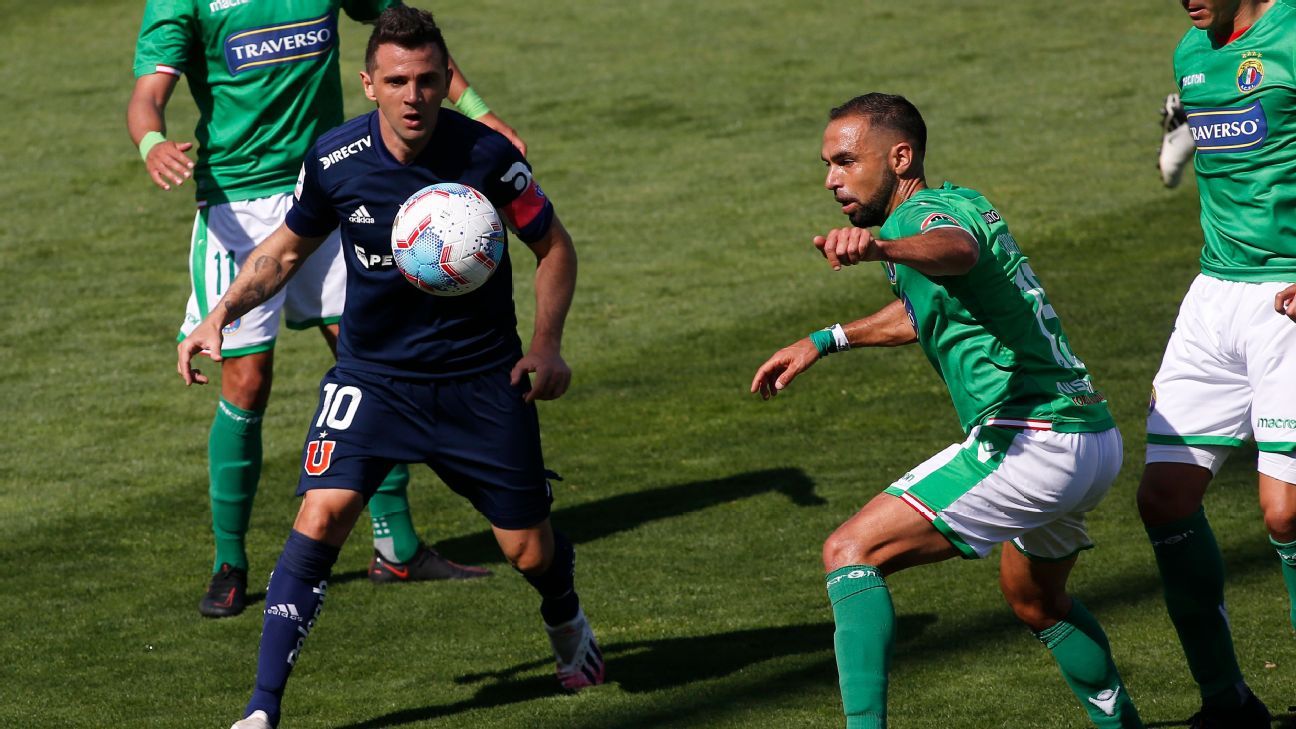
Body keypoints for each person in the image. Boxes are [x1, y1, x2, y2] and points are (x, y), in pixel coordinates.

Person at [176, 8, 603, 727]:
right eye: (398, 81)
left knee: (528, 550)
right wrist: (221, 311)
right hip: (372, 379)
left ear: (444, 82)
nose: (414, 96)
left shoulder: (488, 159)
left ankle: (566, 619)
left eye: (429, 80)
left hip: (480, 381)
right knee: (320, 514)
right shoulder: (335, 159)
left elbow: (554, 248)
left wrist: (547, 343)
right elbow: (283, 251)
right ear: (369, 83)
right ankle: (260, 709)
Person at [751, 93, 1143, 728]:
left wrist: (878, 248)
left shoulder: (923, 221)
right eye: (827, 165)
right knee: (1036, 601)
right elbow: (923, 313)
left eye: (846, 161)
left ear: (900, 156)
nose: (831, 179)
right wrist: (825, 340)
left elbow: (957, 252)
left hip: (1033, 438)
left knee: (849, 551)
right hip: (1092, 439)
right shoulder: (961, 199)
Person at [127, 0, 520, 617]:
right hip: (239, 204)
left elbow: (408, 40)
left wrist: (478, 112)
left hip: (336, 187)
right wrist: (151, 141)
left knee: (371, 362)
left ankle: (396, 546)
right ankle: (229, 563)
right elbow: (149, 92)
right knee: (247, 380)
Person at [1139, 0, 1296, 726]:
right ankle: (1227, 702)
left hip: (1289, 298)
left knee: (1286, 513)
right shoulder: (1191, 52)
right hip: (1213, 300)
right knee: (1164, 499)